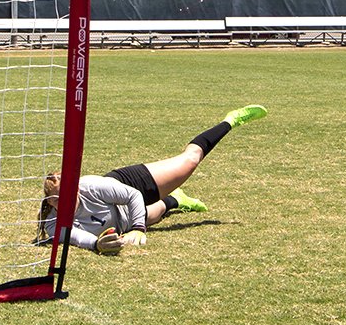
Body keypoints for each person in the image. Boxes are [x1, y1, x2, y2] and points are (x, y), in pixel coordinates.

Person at [36, 104, 267, 254]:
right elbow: (75, 237)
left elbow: (133, 195)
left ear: (77, 190)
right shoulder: (53, 223)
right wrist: (97, 244)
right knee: (157, 213)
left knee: (190, 160)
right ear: (50, 203)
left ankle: (230, 121)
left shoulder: (92, 187)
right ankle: (176, 200)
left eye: (67, 197)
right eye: (57, 201)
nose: (63, 204)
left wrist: (138, 228)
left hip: (128, 185)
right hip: (122, 221)